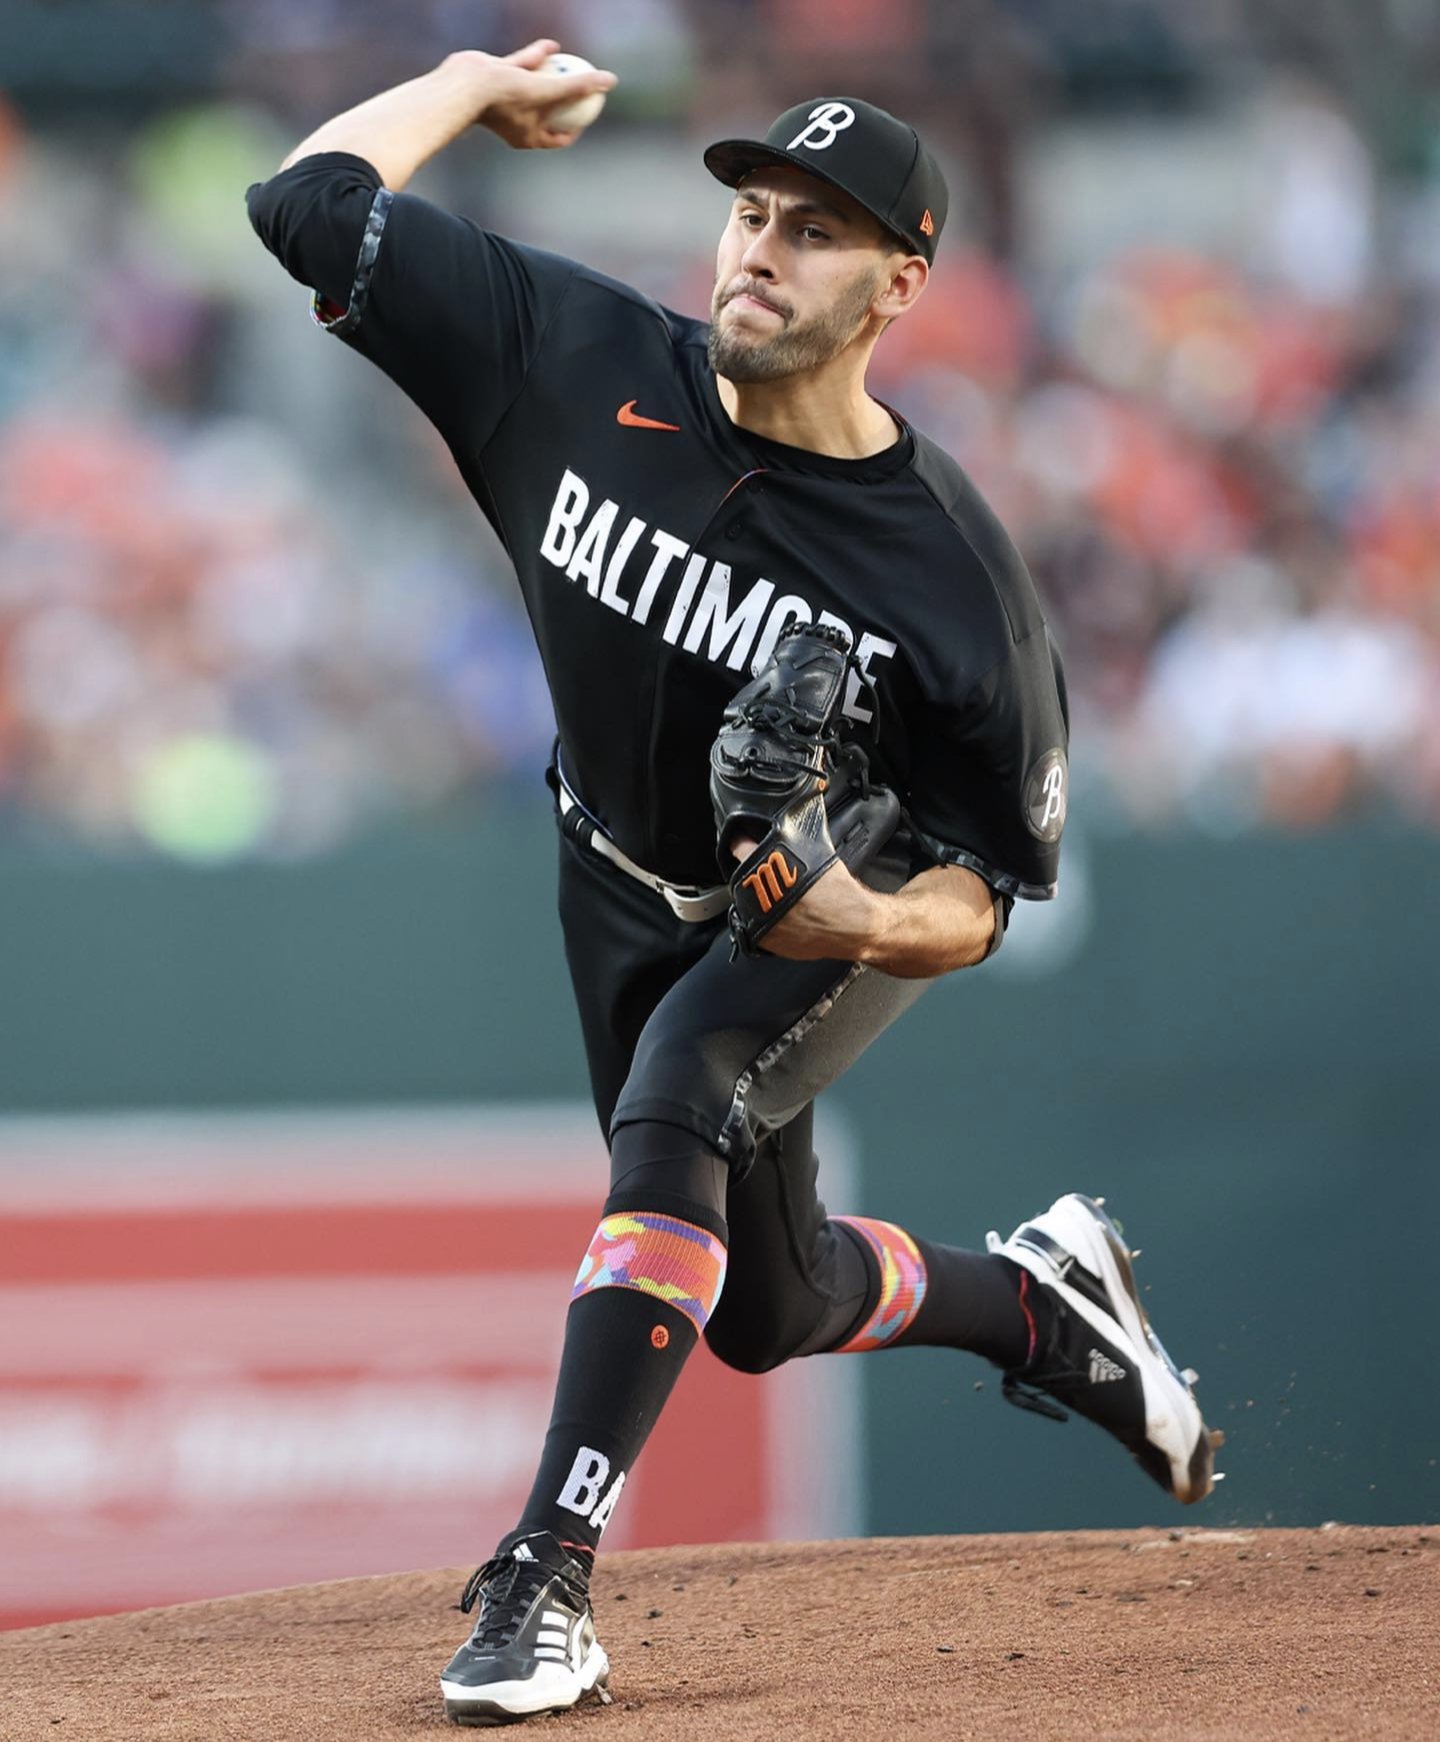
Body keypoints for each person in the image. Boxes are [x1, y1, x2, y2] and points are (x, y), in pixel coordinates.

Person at [247, 40, 1220, 1727]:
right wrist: (475, 81)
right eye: (754, 212)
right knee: (768, 1304)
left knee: (682, 1093)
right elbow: (307, 201)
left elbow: (990, 890)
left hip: (822, 899)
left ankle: (545, 1573)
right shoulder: (568, 356)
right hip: (612, 868)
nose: (763, 247)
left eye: (819, 230)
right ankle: (1041, 1311)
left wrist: (858, 919)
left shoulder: (955, 586)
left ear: (901, 283)